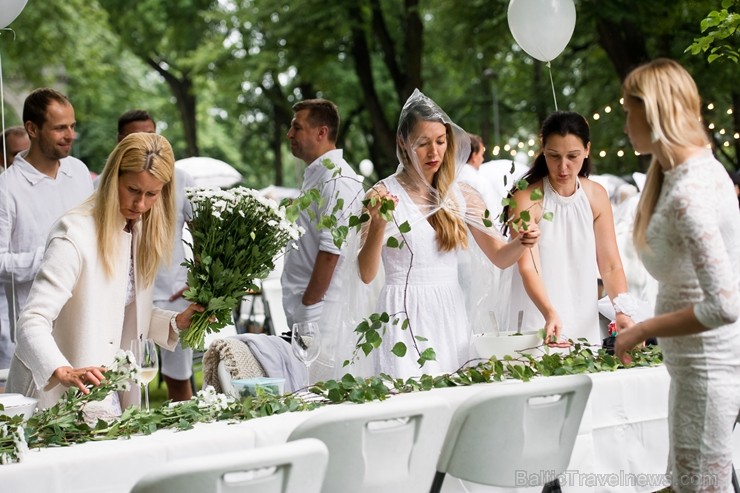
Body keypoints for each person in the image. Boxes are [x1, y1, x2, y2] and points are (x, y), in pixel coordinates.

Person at [6, 132, 204, 414]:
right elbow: (32, 321)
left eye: (152, 194)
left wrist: (176, 322)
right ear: (113, 180)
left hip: (106, 389)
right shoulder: (73, 233)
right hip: (56, 394)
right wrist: (61, 369)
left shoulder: (137, 230)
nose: (141, 204)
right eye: (133, 190)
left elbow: (119, 313)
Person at [614, 58, 740, 492]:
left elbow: (724, 305)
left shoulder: (691, 193)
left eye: (628, 110)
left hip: (708, 375)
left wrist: (644, 329)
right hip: (690, 372)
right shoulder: (680, 172)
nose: (625, 122)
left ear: (653, 113)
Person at [356, 90, 539, 379]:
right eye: (423, 143)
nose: (434, 152)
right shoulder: (382, 195)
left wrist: (522, 243)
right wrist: (378, 226)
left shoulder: (461, 195)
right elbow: (366, 274)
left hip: (449, 311)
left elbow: (501, 257)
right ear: (403, 143)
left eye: (441, 142)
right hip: (402, 314)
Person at [503, 111, 634, 345]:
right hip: (539, 313)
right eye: (554, 156)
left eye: (572, 156)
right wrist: (549, 312)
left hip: (582, 312)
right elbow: (528, 267)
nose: (563, 167)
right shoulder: (525, 198)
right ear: (543, 151)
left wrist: (622, 310)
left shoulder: (596, 196)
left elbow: (611, 266)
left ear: (587, 150)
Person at [0, 88, 94, 352]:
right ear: (32, 128)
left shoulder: (79, 171)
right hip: (37, 330)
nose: (70, 135)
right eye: (59, 128)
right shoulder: (6, 188)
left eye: (72, 126)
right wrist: (51, 258)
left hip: (87, 318)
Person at [116, 109, 197, 402]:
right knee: (126, 380)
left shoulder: (182, 178)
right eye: (137, 136)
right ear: (121, 141)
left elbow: (200, 231)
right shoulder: (108, 183)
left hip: (174, 293)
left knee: (180, 378)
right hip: (127, 299)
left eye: (151, 134)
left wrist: (197, 280)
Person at [282, 99, 364, 331]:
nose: (289, 134)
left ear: (321, 132)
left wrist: (309, 304)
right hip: (311, 313)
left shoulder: (337, 180)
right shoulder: (320, 175)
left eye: (297, 127)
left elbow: (331, 252)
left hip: (324, 316)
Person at [457, 133, 499, 216]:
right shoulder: (480, 182)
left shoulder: (447, 178)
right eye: (481, 155)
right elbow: (493, 215)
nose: (482, 159)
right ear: (474, 156)